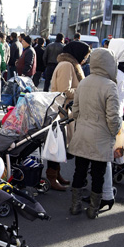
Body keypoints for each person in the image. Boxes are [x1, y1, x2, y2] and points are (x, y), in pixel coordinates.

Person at [69, 48, 122, 219]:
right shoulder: (110, 86)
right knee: (98, 174)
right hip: (100, 137)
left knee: (79, 171)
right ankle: (93, 209)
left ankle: (75, 206)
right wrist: (116, 133)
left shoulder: (83, 82)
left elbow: (75, 112)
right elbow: (113, 117)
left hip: (82, 134)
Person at [99, 38, 124, 211]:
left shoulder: (116, 73)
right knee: (108, 156)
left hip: (108, 117)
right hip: (116, 116)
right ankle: (104, 191)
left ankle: (105, 193)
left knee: (104, 157)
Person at [48, 41, 91, 191]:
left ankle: (57, 174)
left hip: (66, 111)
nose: (85, 59)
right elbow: (64, 90)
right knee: (57, 145)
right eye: (85, 55)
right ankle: (51, 176)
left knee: (61, 145)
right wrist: (83, 89)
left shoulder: (70, 64)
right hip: (62, 111)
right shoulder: (67, 65)